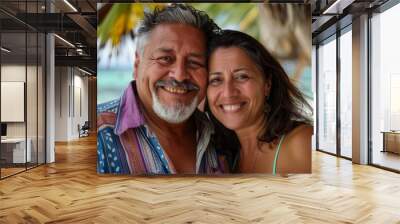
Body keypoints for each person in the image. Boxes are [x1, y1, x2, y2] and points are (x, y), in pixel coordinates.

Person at [97, 4, 223, 174]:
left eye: (194, 62)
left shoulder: (222, 136)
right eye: (165, 58)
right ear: (137, 64)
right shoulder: (99, 135)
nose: (179, 75)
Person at [206, 30, 313, 174]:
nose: (228, 92)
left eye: (242, 76)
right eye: (216, 80)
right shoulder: (225, 160)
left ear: (267, 84)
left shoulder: (301, 143)